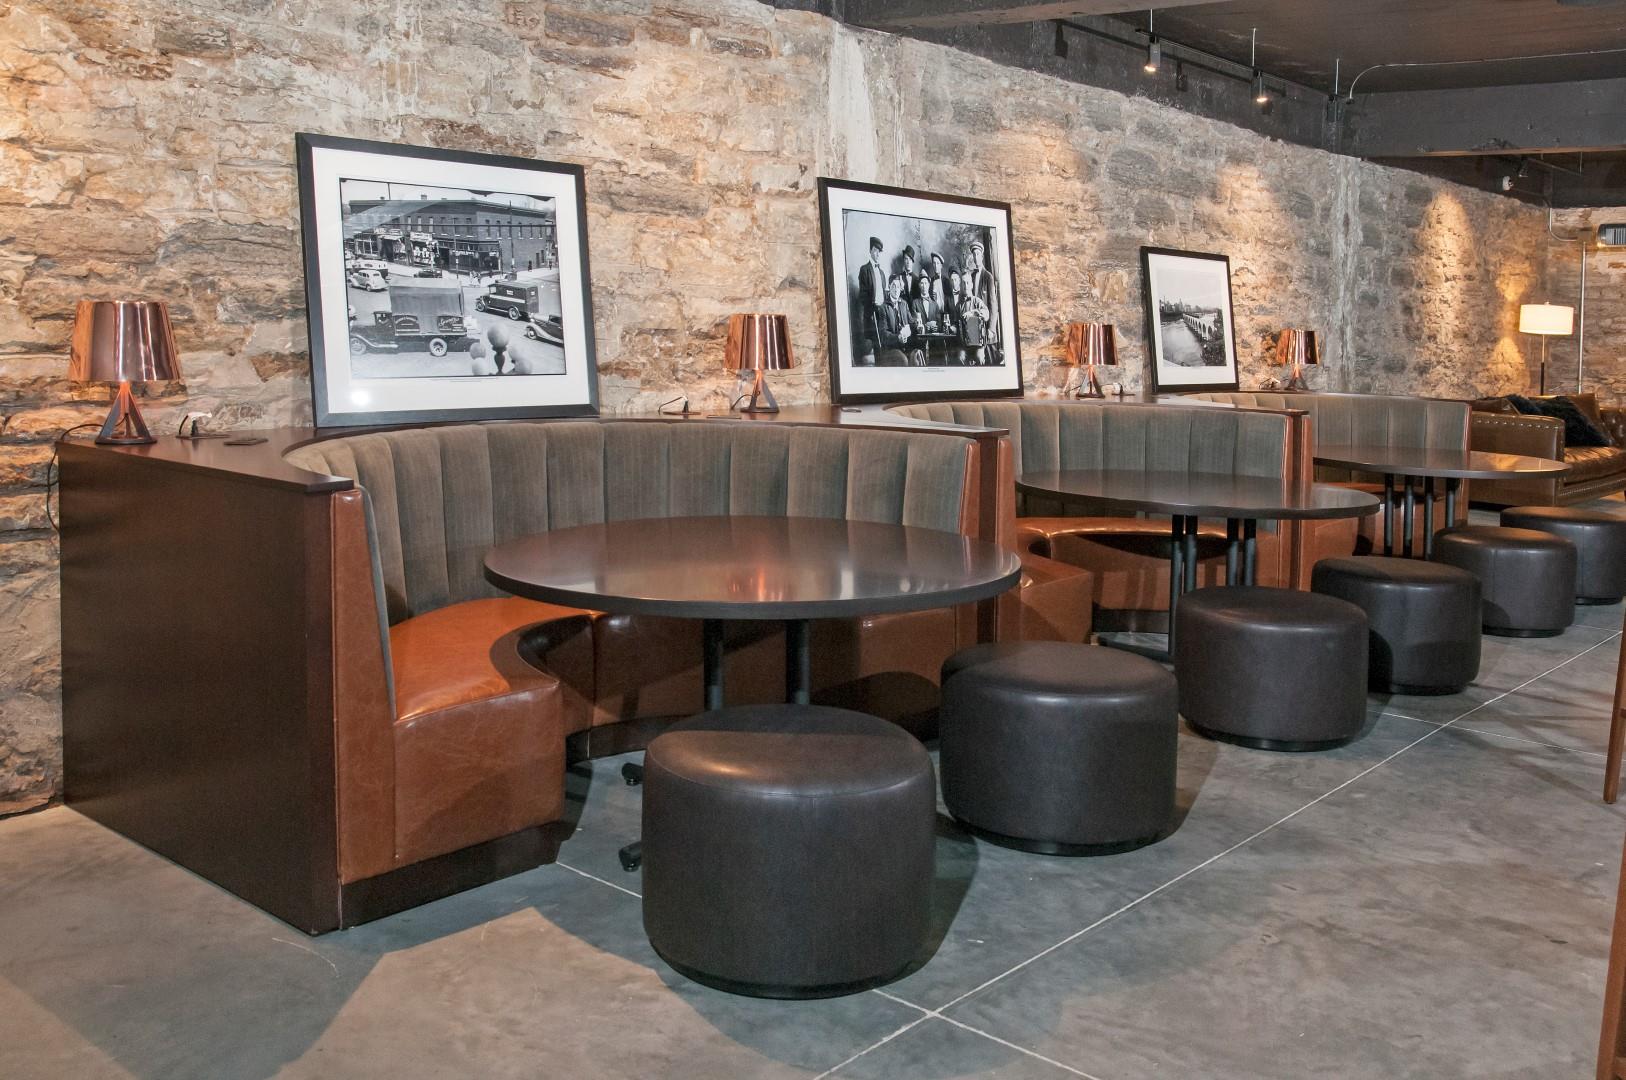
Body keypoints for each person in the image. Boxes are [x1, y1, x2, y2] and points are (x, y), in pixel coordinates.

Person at [964, 239, 999, 362]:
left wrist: (991, 329)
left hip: (985, 326)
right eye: (974, 254)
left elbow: (993, 306)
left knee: (986, 360)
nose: (976, 257)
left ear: (982, 256)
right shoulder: (971, 276)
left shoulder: (988, 276)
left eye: (978, 254)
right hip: (973, 326)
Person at [855, 236, 887, 363]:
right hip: (872, 314)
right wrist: (872, 308)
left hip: (883, 313)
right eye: (875, 250)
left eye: (879, 251)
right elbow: (863, 296)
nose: (877, 253)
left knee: (885, 343)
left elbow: (884, 293)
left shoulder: (882, 272)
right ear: (870, 251)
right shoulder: (864, 270)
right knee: (876, 345)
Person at [877, 274, 919, 366]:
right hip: (891, 349)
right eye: (893, 286)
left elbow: (911, 323)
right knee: (903, 360)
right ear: (889, 287)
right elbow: (883, 334)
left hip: (906, 346)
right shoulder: (883, 308)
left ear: (901, 288)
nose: (896, 289)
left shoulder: (904, 304)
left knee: (918, 355)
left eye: (898, 286)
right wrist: (897, 338)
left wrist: (918, 325)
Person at [911, 270, 943, 363]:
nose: (924, 286)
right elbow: (913, 322)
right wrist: (925, 326)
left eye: (925, 283)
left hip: (934, 342)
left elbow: (939, 323)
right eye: (921, 283)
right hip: (920, 341)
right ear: (919, 285)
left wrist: (936, 327)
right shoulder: (915, 303)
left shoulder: (935, 304)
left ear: (929, 285)